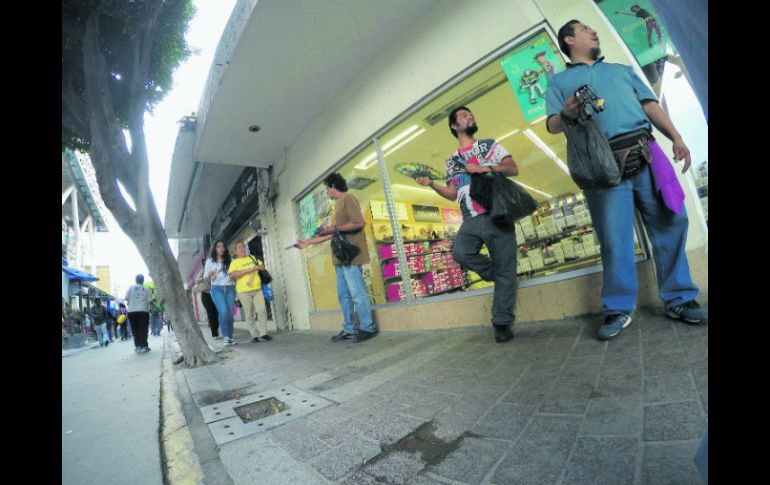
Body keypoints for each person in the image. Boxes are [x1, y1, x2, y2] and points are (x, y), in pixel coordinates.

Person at [545, 20, 707, 340]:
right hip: (599, 165)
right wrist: (565, 113)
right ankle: (618, 307)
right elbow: (551, 126)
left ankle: (680, 299)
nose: (594, 32)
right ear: (569, 39)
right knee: (615, 239)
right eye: (585, 29)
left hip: (645, 152)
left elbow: (650, 105)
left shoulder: (621, 70)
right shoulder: (559, 82)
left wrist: (676, 137)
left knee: (670, 223)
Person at [415, 107, 520, 343]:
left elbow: (513, 168)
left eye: (471, 114)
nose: (470, 116)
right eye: (463, 116)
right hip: (470, 219)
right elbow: (452, 194)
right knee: (460, 252)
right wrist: (432, 184)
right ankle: (502, 275)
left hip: (497, 214)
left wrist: (485, 167)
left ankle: (501, 322)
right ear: (454, 126)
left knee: (505, 272)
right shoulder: (451, 161)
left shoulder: (489, 146)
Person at [295, 173, 378, 343]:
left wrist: (333, 228)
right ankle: (349, 328)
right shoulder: (337, 206)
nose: (326, 192)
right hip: (340, 257)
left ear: (333, 186)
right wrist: (308, 242)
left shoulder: (348, 198)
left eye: (326, 188)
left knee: (357, 291)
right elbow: (333, 232)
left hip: (350, 255)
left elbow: (359, 223)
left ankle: (368, 326)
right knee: (344, 295)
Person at [229, 241, 273, 343]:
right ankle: (254, 335)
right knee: (249, 314)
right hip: (243, 291)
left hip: (257, 289)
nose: (242, 249)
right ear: (235, 251)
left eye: (243, 247)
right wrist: (248, 270)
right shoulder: (234, 262)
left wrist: (256, 267)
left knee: (262, 310)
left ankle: (264, 333)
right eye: (239, 247)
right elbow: (232, 275)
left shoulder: (252, 258)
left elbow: (262, 267)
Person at [204, 240, 238, 345]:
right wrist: (210, 274)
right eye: (218, 246)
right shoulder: (210, 261)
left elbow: (234, 273)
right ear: (215, 248)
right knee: (223, 311)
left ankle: (230, 336)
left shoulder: (229, 259)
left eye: (223, 246)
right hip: (217, 288)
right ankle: (226, 336)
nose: (221, 248)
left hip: (230, 287)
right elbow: (205, 276)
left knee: (230, 312)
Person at [125, 274, 153, 353]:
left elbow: (126, 298)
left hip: (132, 311)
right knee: (143, 329)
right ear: (143, 280)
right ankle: (144, 346)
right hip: (143, 311)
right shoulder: (146, 288)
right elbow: (150, 300)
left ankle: (137, 346)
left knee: (135, 330)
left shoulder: (131, 287)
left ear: (135, 280)